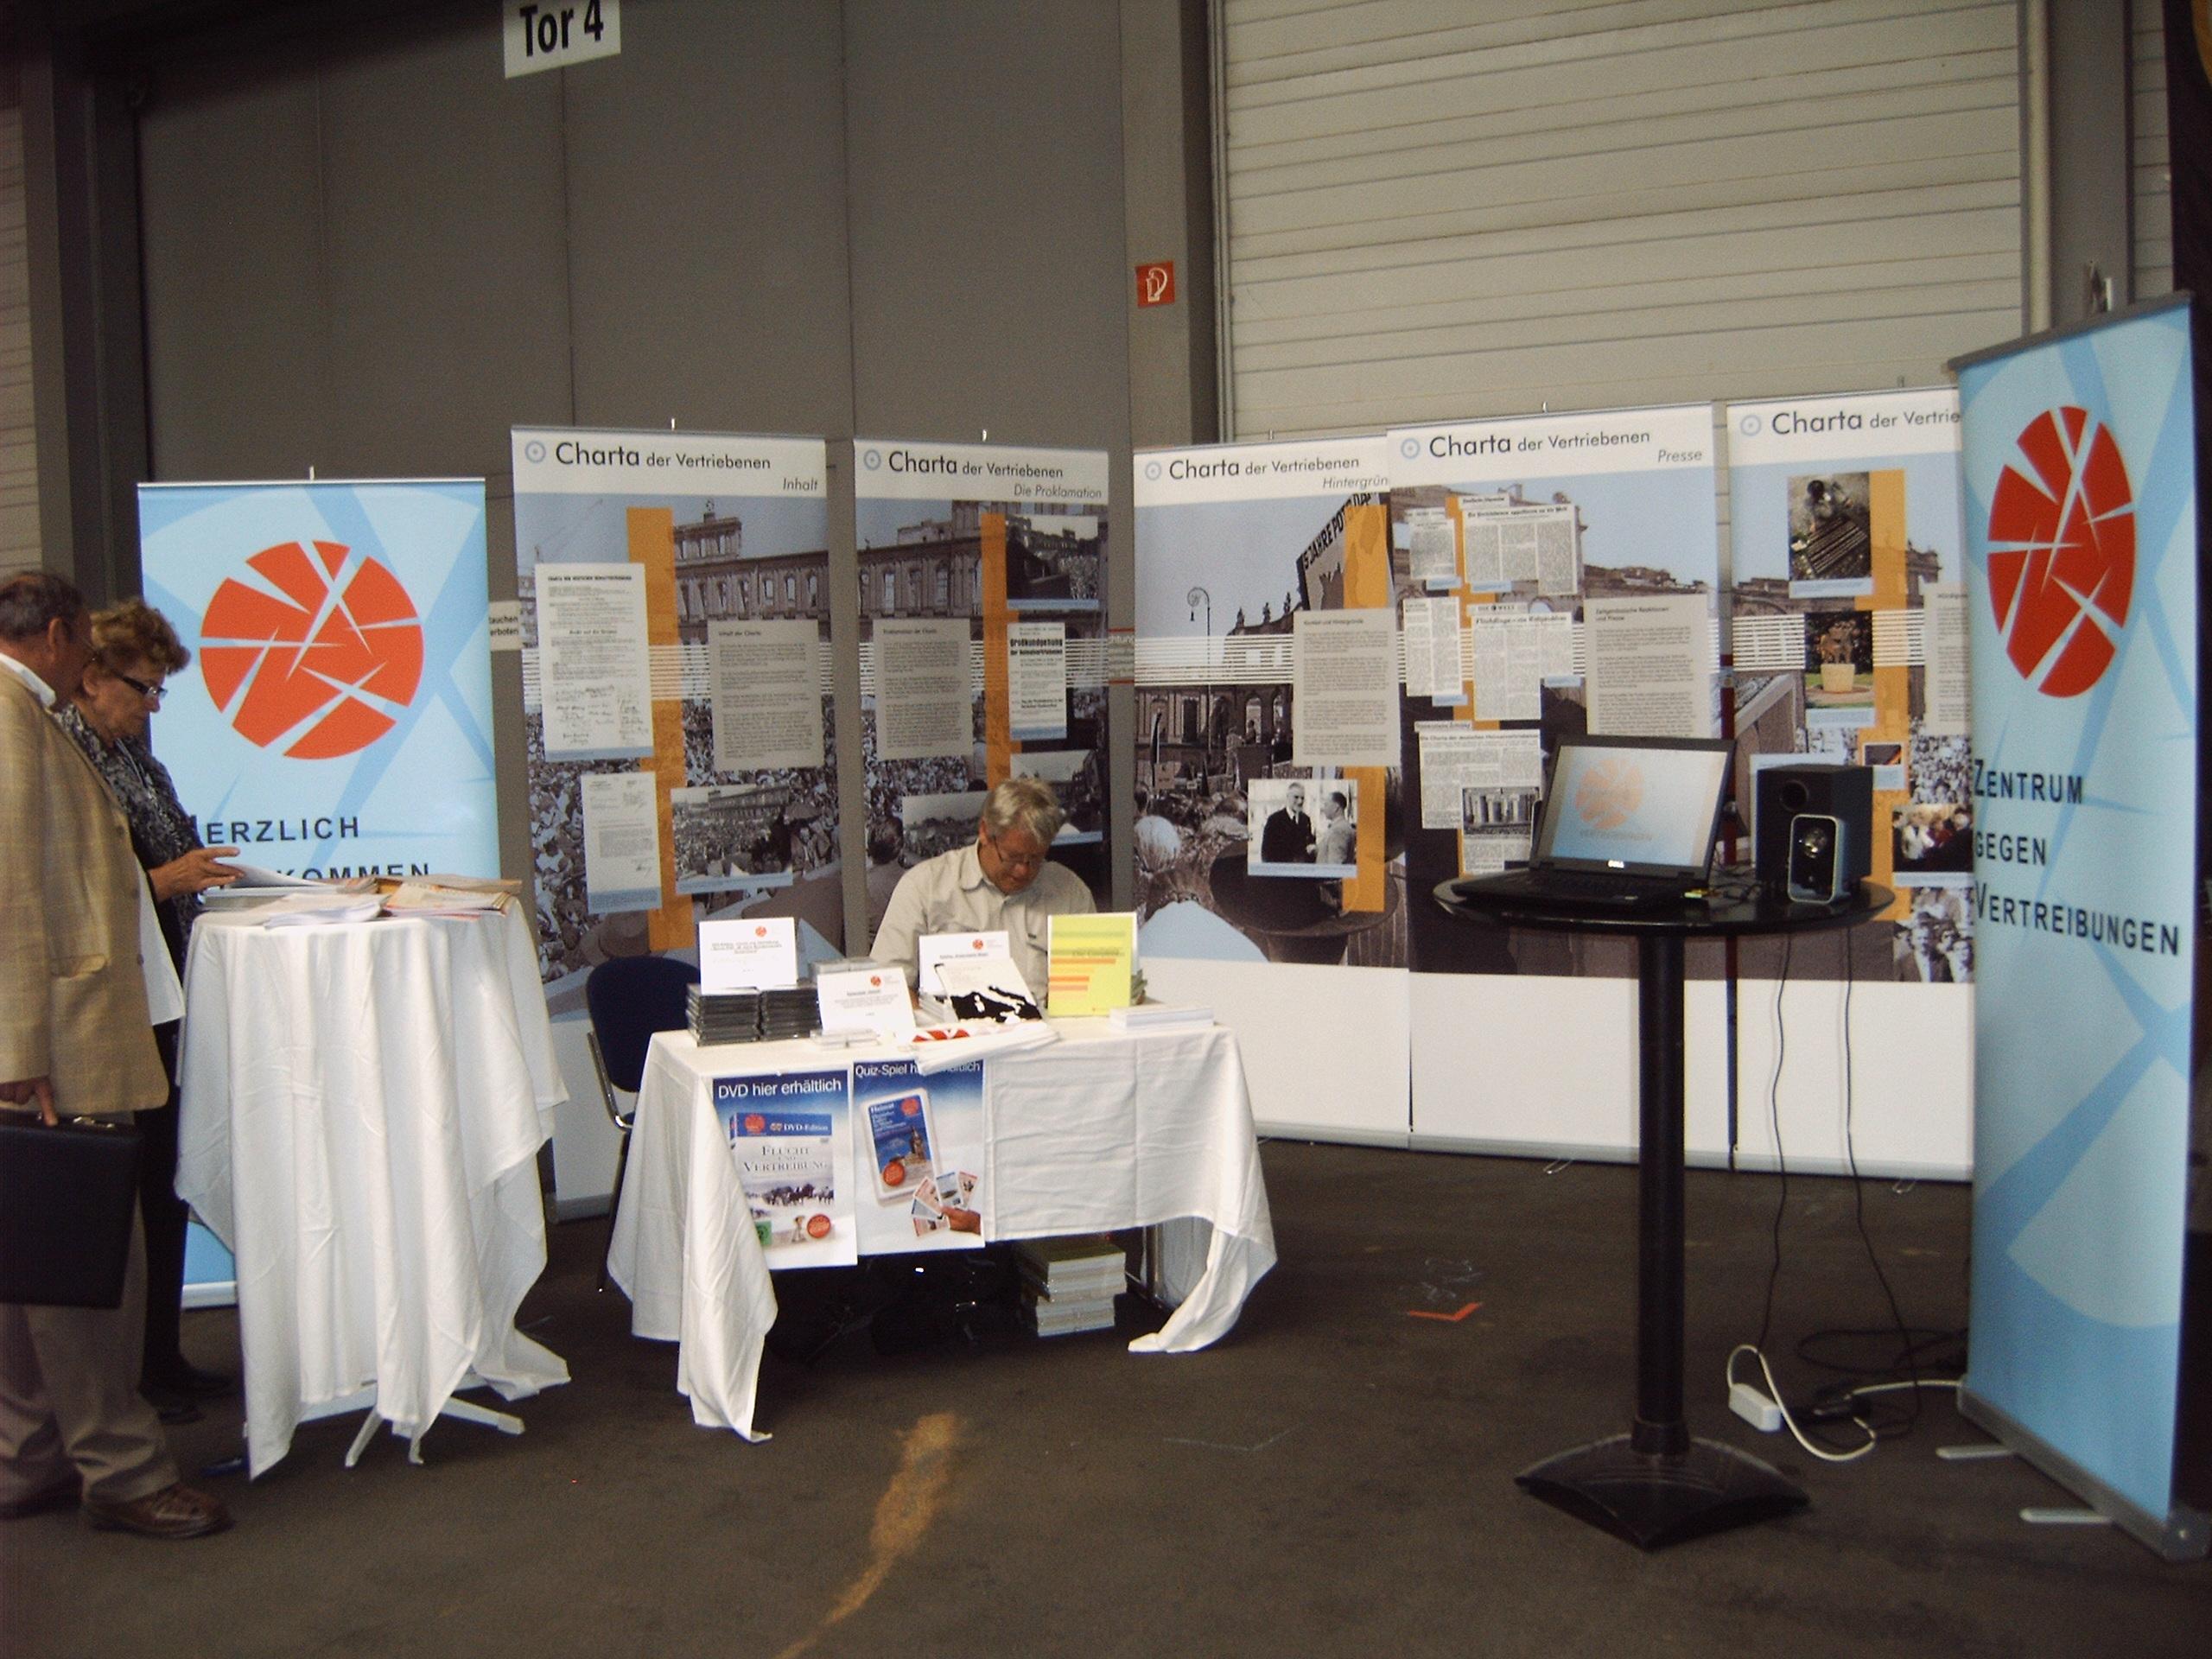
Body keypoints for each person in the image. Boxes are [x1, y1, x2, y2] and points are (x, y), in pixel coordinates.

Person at [0, 572, 232, 1540]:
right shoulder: (14, 718)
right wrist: (18, 1047)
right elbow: (11, 889)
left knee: (31, 1261)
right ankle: (125, 1473)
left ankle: (29, 1458)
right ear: (58, 636)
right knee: (88, 1264)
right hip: (59, 1036)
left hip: (54, 1029)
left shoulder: (31, 713)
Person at [55, 599, 240, 1422]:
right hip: (117, 999)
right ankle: (131, 1374)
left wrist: (196, 875)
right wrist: (169, 881)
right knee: (127, 1188)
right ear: (93, 677)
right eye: (144, 688)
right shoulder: (64, 752)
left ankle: (162, 1356)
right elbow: (76, 887)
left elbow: (166, 843)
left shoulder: (134, 754)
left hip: (169, 988)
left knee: (165, 1180)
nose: (153, 705)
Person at [868, 775, 1094, 1002]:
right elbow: (888, 986)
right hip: (951, 1023)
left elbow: (1091, 989)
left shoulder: (1069, 892)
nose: (1023, 871)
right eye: (1012, 857)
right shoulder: (925, 887)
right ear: (985, 832)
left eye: (1035, 858)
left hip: (1045, 1022)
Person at [1260, 781, 1316, 863]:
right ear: (1288, 797)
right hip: (1281, 869)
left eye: (1302, 798)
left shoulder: (1305, 820)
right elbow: (1266, 853)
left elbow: (1308, 846)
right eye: (1296, 797)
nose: (1300, 801)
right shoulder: (1274, 820)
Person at [1313, 788, 1355, 866]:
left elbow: (1335, 865)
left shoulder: (1339, 830)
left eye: (1326, 804)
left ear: (1336, 807)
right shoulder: (1339, 826)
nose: (1323, 808)